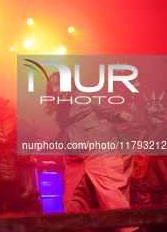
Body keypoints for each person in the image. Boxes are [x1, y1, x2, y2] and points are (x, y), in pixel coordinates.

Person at [45, 72, 138, 232]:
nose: (56, 91)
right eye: (54, 89)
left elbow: (105, 112)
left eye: (59, 86)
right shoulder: (62, 106)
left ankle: (130, 229)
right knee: (70, 199)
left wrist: (119, 115)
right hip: (74, 155)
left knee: (109, 193)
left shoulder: (83, 94)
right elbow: (64, 132)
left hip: (95, 146)